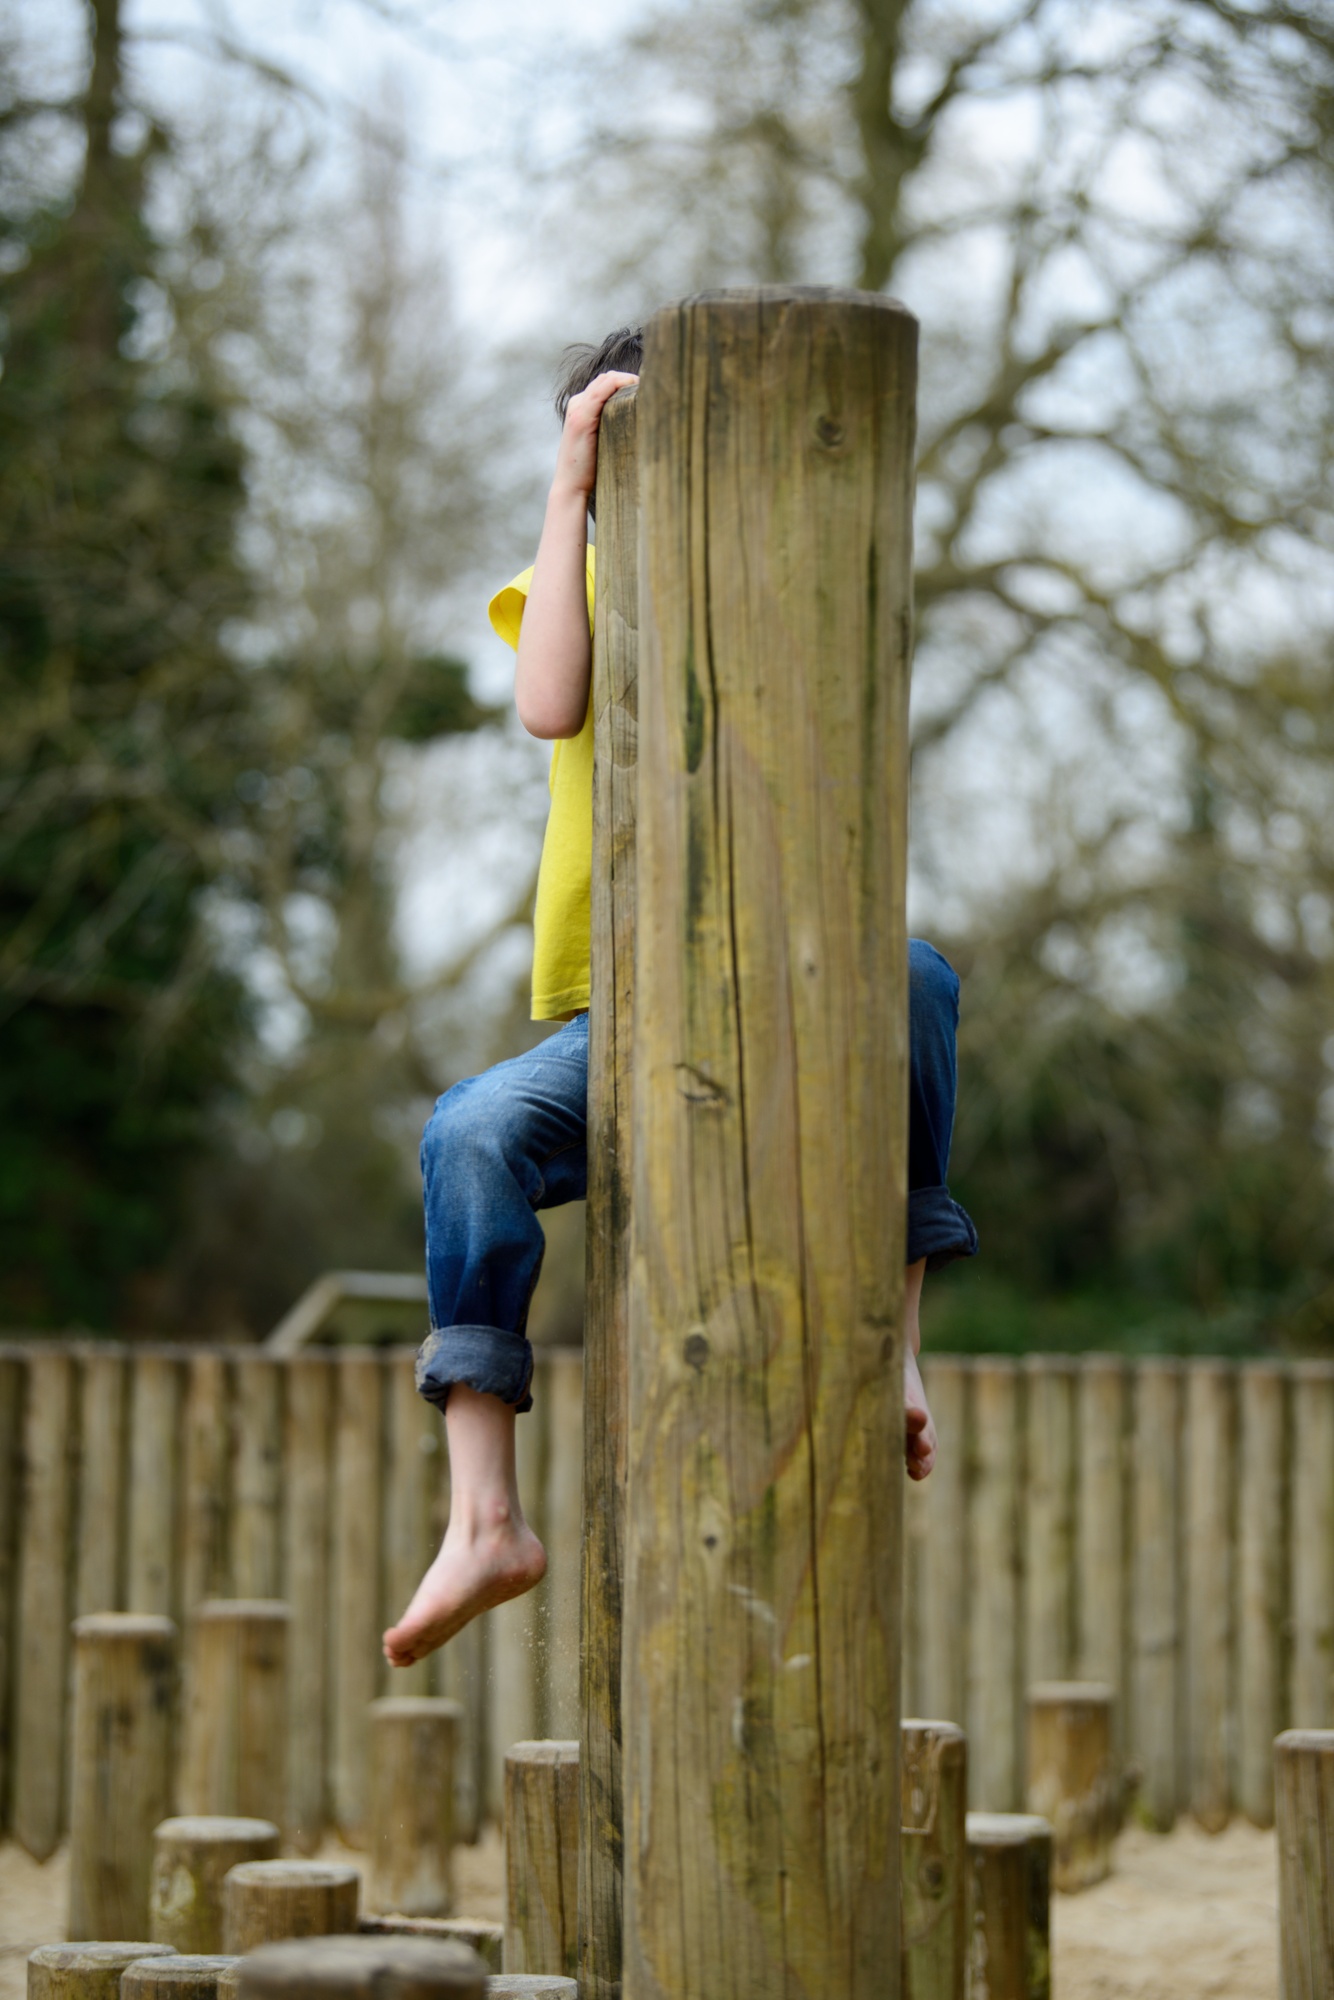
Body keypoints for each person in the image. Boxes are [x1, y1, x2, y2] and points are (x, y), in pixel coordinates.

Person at [383, 328, 977, 1670]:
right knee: (467, 1132)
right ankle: (484, 1518)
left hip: (784, 979)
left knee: (918, 977)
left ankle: (892, 1343)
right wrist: (573, 482)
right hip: (621, 1015)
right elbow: (549, 704)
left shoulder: (780, 590)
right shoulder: (579, 577)